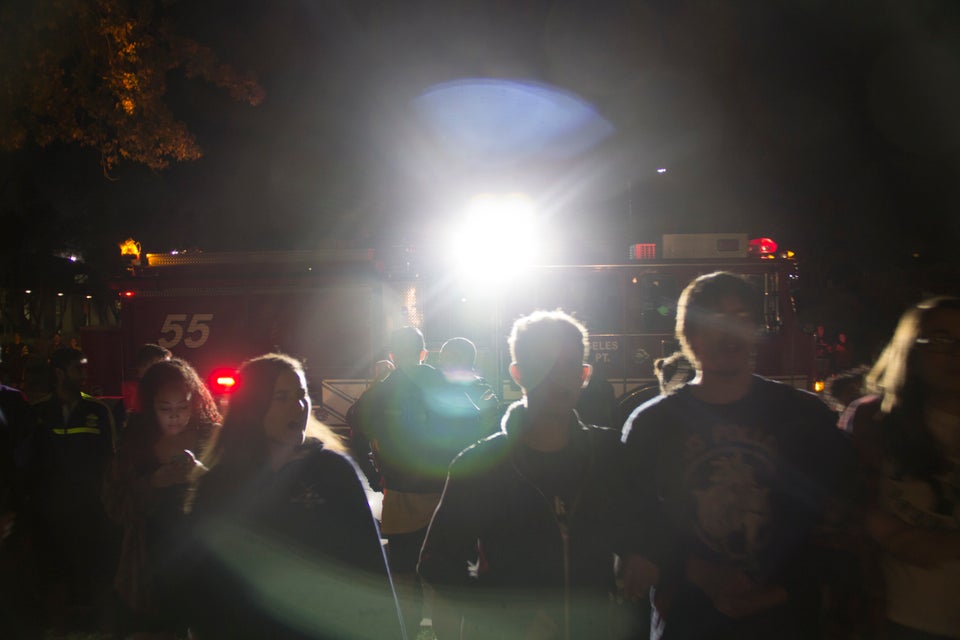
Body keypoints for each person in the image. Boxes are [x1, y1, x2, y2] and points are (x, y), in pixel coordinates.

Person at [620, 272, 854, 640]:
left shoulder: (807, 417)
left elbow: (835, 520)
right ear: (689, 334)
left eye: (741, 318)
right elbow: (634, 524)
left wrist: (779, 590)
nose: (728, 331)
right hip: (690, 623)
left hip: (786, 623)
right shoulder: (652, 425)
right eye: (713, 320)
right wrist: (693, 570)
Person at [419, 310, 629, 639]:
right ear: (518, 373)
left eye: (569, 365)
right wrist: (499, 614)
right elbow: (437, 560)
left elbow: (644, 534)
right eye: (542, 363)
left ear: (584, 375)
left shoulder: (608, 454)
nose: (557, 376)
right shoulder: (481, 463)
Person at [184, 353, 404, 640]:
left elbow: (371, 569)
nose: (298, 406)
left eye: (302, 395)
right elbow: (204, 586)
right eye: (282, 397)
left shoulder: (333, 472)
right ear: (254, 405)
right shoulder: (220, 485)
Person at [841, 296, 960, 639]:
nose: (954, 353)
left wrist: (936, 543)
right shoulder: (873, 423)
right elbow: (843, 503)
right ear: (911, 350)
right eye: (939, 339)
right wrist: (885, 530)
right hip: (895, 619)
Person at [356, 326, 480, 638]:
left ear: (392, 355)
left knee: (404, 577)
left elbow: (354, 425)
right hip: (445, 495)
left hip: (399, 496)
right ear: (424, 352)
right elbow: (474, 421)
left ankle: (407, 634)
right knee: (446, 577)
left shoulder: (382, 390)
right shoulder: (441, 381)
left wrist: (374, 475)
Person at [102, 358, 221, 638]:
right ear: (149, 406)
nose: (175, 416)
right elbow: (113, 504)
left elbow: (238, 495)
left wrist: (200, 475)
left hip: (204, 561)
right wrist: (153, 482)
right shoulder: (135, 444)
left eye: (182, 407)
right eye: (165, 409)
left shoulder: (213, 436)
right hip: (149, 566)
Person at [30, 347, 117, 631]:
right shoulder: (37, 413)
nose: (84, 374)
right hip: (48, 517)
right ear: (59, 373)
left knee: (91, 578)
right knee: (53, 579)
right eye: (78, 368)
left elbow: (111, 462)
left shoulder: (98, 411)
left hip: (90, 514)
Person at [438, 336, 501, 436]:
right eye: (442, 357)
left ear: (467, 361)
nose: (442, 362)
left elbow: (490, 426)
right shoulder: (436, 385)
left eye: (452, 357)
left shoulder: (482, 389)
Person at [122, 344, 173, 415]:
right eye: (161, 367)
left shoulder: (171, 392)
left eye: (168, 367)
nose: (166, 371)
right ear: (142, 368)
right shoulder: (132, 393)